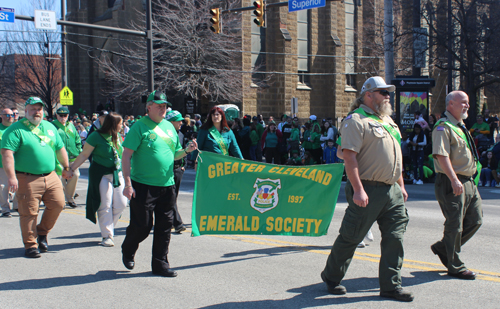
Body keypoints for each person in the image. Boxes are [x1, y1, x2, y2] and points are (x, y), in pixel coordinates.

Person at [321, 76, 413, 302]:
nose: (388, 96)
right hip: (367, 188)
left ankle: (391, 286)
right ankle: (332, 276)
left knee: (395, 237)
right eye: (383, 92)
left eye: (388, 92)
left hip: (391, 191)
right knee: (352, 236)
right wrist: (358, 190)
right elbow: (349, 157)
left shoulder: (388, 122)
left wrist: (400, 185)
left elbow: (395, 157)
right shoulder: (356, 120)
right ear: (369, 94)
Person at [121, 91, 197, 277]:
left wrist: (187, 151)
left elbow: (174, 154)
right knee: (143, 226)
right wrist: (128, 183)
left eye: (164, 106)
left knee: (165, 226)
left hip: (167, 184)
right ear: (149, 107)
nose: (163, 109)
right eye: (159, 105)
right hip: (143, 185)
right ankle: (128, 248)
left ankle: (160, 264)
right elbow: (126, 156)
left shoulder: (170, 128)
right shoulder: (139, 127)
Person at [1, 97, 73, 258]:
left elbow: (60, 148)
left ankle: (41, 232)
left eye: (39, 109)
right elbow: (7, 154)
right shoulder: (15, 130)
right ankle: (31, 245)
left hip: (51, 175)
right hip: (27, 178)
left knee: (58, 204)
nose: (37, 112)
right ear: (25, 111)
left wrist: (66, 167)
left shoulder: (49, 127)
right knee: (29, 212)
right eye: (33, 109)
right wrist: (11, 177)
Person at [431, 90, 482, 280]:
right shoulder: (442, 127)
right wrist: (454, 179)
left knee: (475, 220)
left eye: (467, 103)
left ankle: (444, 248)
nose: (467, 106)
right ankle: (455, 265)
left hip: (468, 181)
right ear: (450, 104)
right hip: (452, 180)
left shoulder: (460, 126)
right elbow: (441, 156)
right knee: (455, 224)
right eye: (463, 102)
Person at [69, 112, 128, 247]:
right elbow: (84, 155)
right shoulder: (95, 136)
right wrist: (72, 168)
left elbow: (123, 155)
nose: (122, 126)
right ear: (113, 124)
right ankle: (107, 235)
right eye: (120, 123)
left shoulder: (117, 136)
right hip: (101, 174)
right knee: (105, 204)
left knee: (121, 203)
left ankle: (109, 227)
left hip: (117, 174)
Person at [52, 107, 83, 208]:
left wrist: (79, 150)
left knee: (75, 175)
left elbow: (77, 139)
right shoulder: (53, 126)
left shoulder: (71, 126)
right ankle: (64, 199)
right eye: (60, 115)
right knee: (60, 178)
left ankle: (69, 197)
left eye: (65, 115)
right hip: (59, 157)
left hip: (72, 157)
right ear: (56, 115)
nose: (63, 117)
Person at [166, 110, 187, 233]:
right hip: (167, 169)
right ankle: (177, 223)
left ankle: (168, 220)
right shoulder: (163, 134)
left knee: (172, 197)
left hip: (178, 169)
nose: (181, 122)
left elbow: (182, 150)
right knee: (171, 197)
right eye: (178, 120)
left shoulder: (180, 134)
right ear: (171, 121)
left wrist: (183, 164)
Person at [0, 108, 16, 217]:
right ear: (1, 116)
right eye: (7, 115)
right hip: (2, 163)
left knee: (18, 186)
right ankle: (5, 208)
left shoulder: (16, 129)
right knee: (3, 186)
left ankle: (18, 206)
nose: (10, 117)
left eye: (12, 115)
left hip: (18, 162)